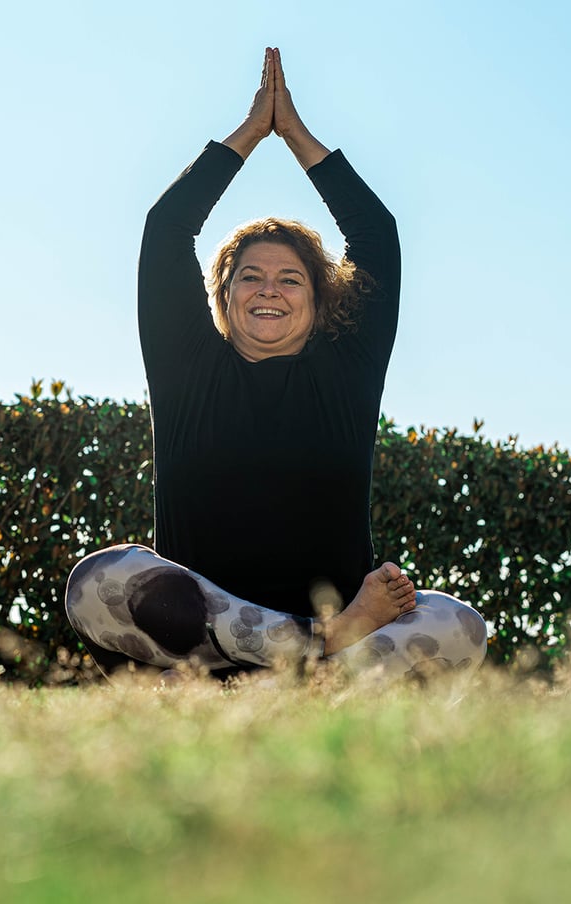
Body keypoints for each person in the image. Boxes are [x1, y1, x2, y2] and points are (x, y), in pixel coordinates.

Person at [65, 48, 488, 680]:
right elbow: (168, 227)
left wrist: (293, 133)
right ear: (223, 295)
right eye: (250, 276)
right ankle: (314, 651)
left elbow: (375, 235)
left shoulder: (345, 374)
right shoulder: (188, 368)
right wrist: (248, 133)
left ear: (319, 304)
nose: (269, 289)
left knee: (458, 626)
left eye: (290, 279)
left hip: (240, 666)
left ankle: (262, 684)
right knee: (97, 581)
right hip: (210, 636)